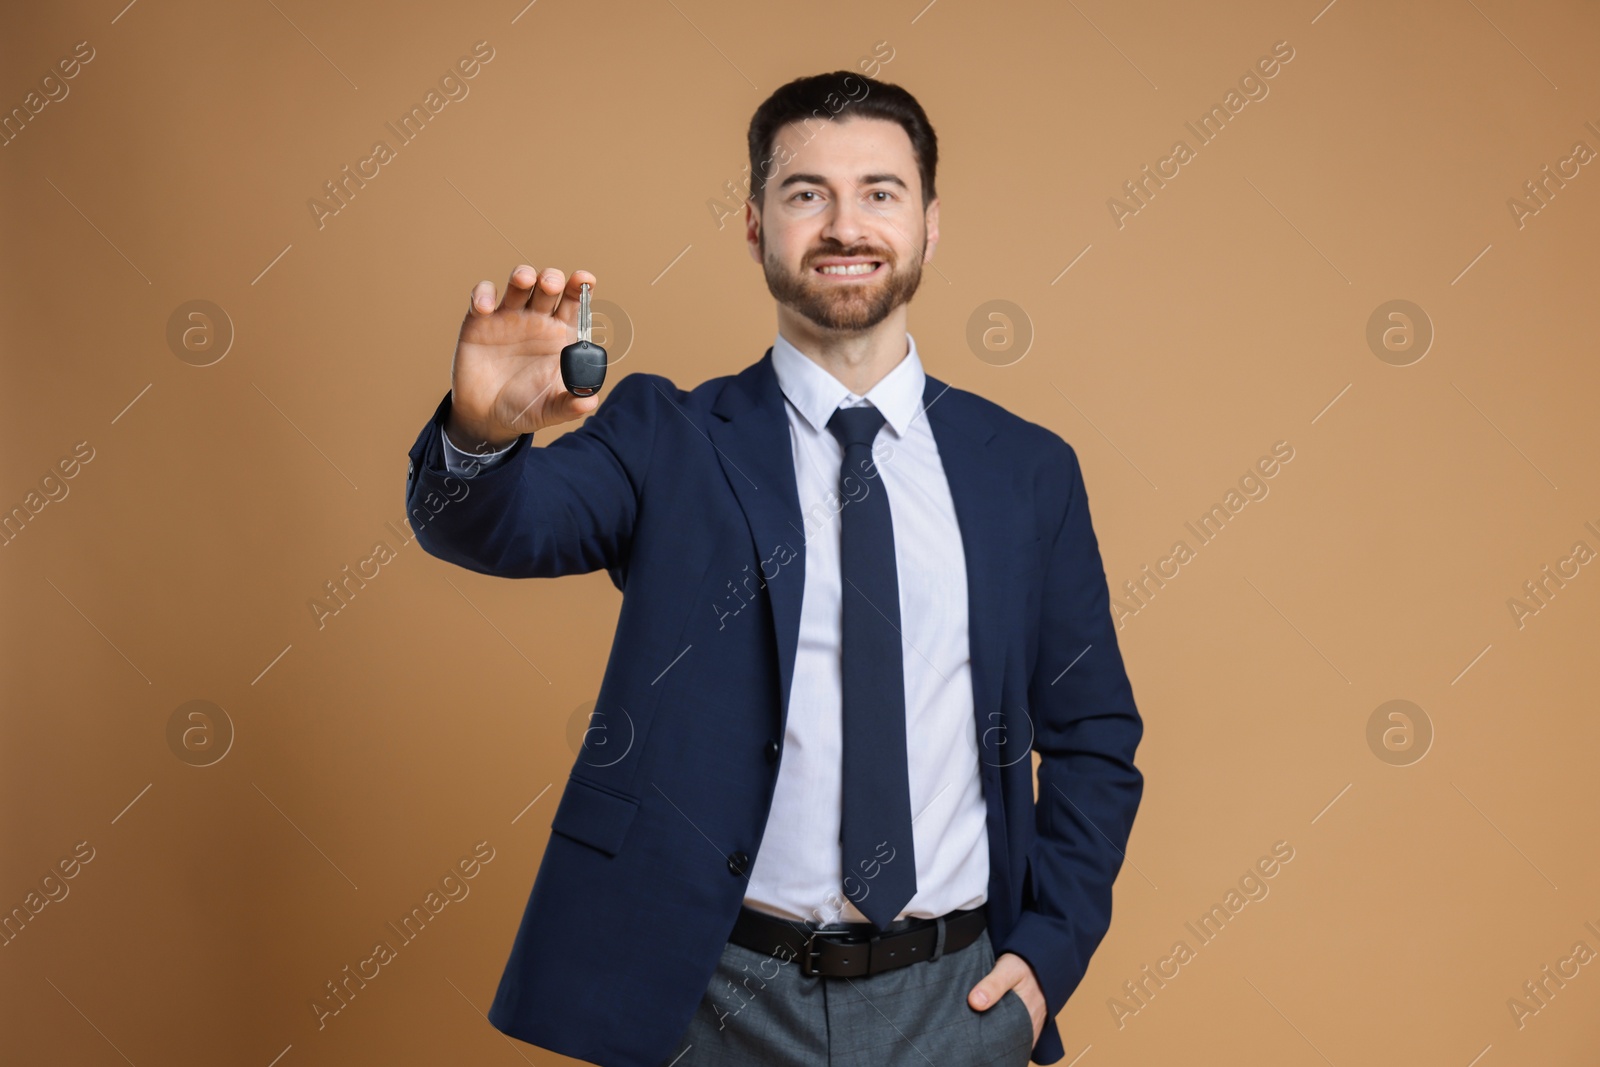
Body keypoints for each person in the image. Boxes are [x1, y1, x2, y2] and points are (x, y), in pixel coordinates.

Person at [404, 70, 1144, 1067]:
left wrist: (1049, 951)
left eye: (880, 191)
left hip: (958, 997)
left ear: (930, 223)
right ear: (754, 226)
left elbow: (1093, 731)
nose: (846, 225)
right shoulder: (666, 436)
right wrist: (479, 432)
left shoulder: (1024, 470)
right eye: (807, 194)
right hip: (717, 998)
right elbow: (493, 528)